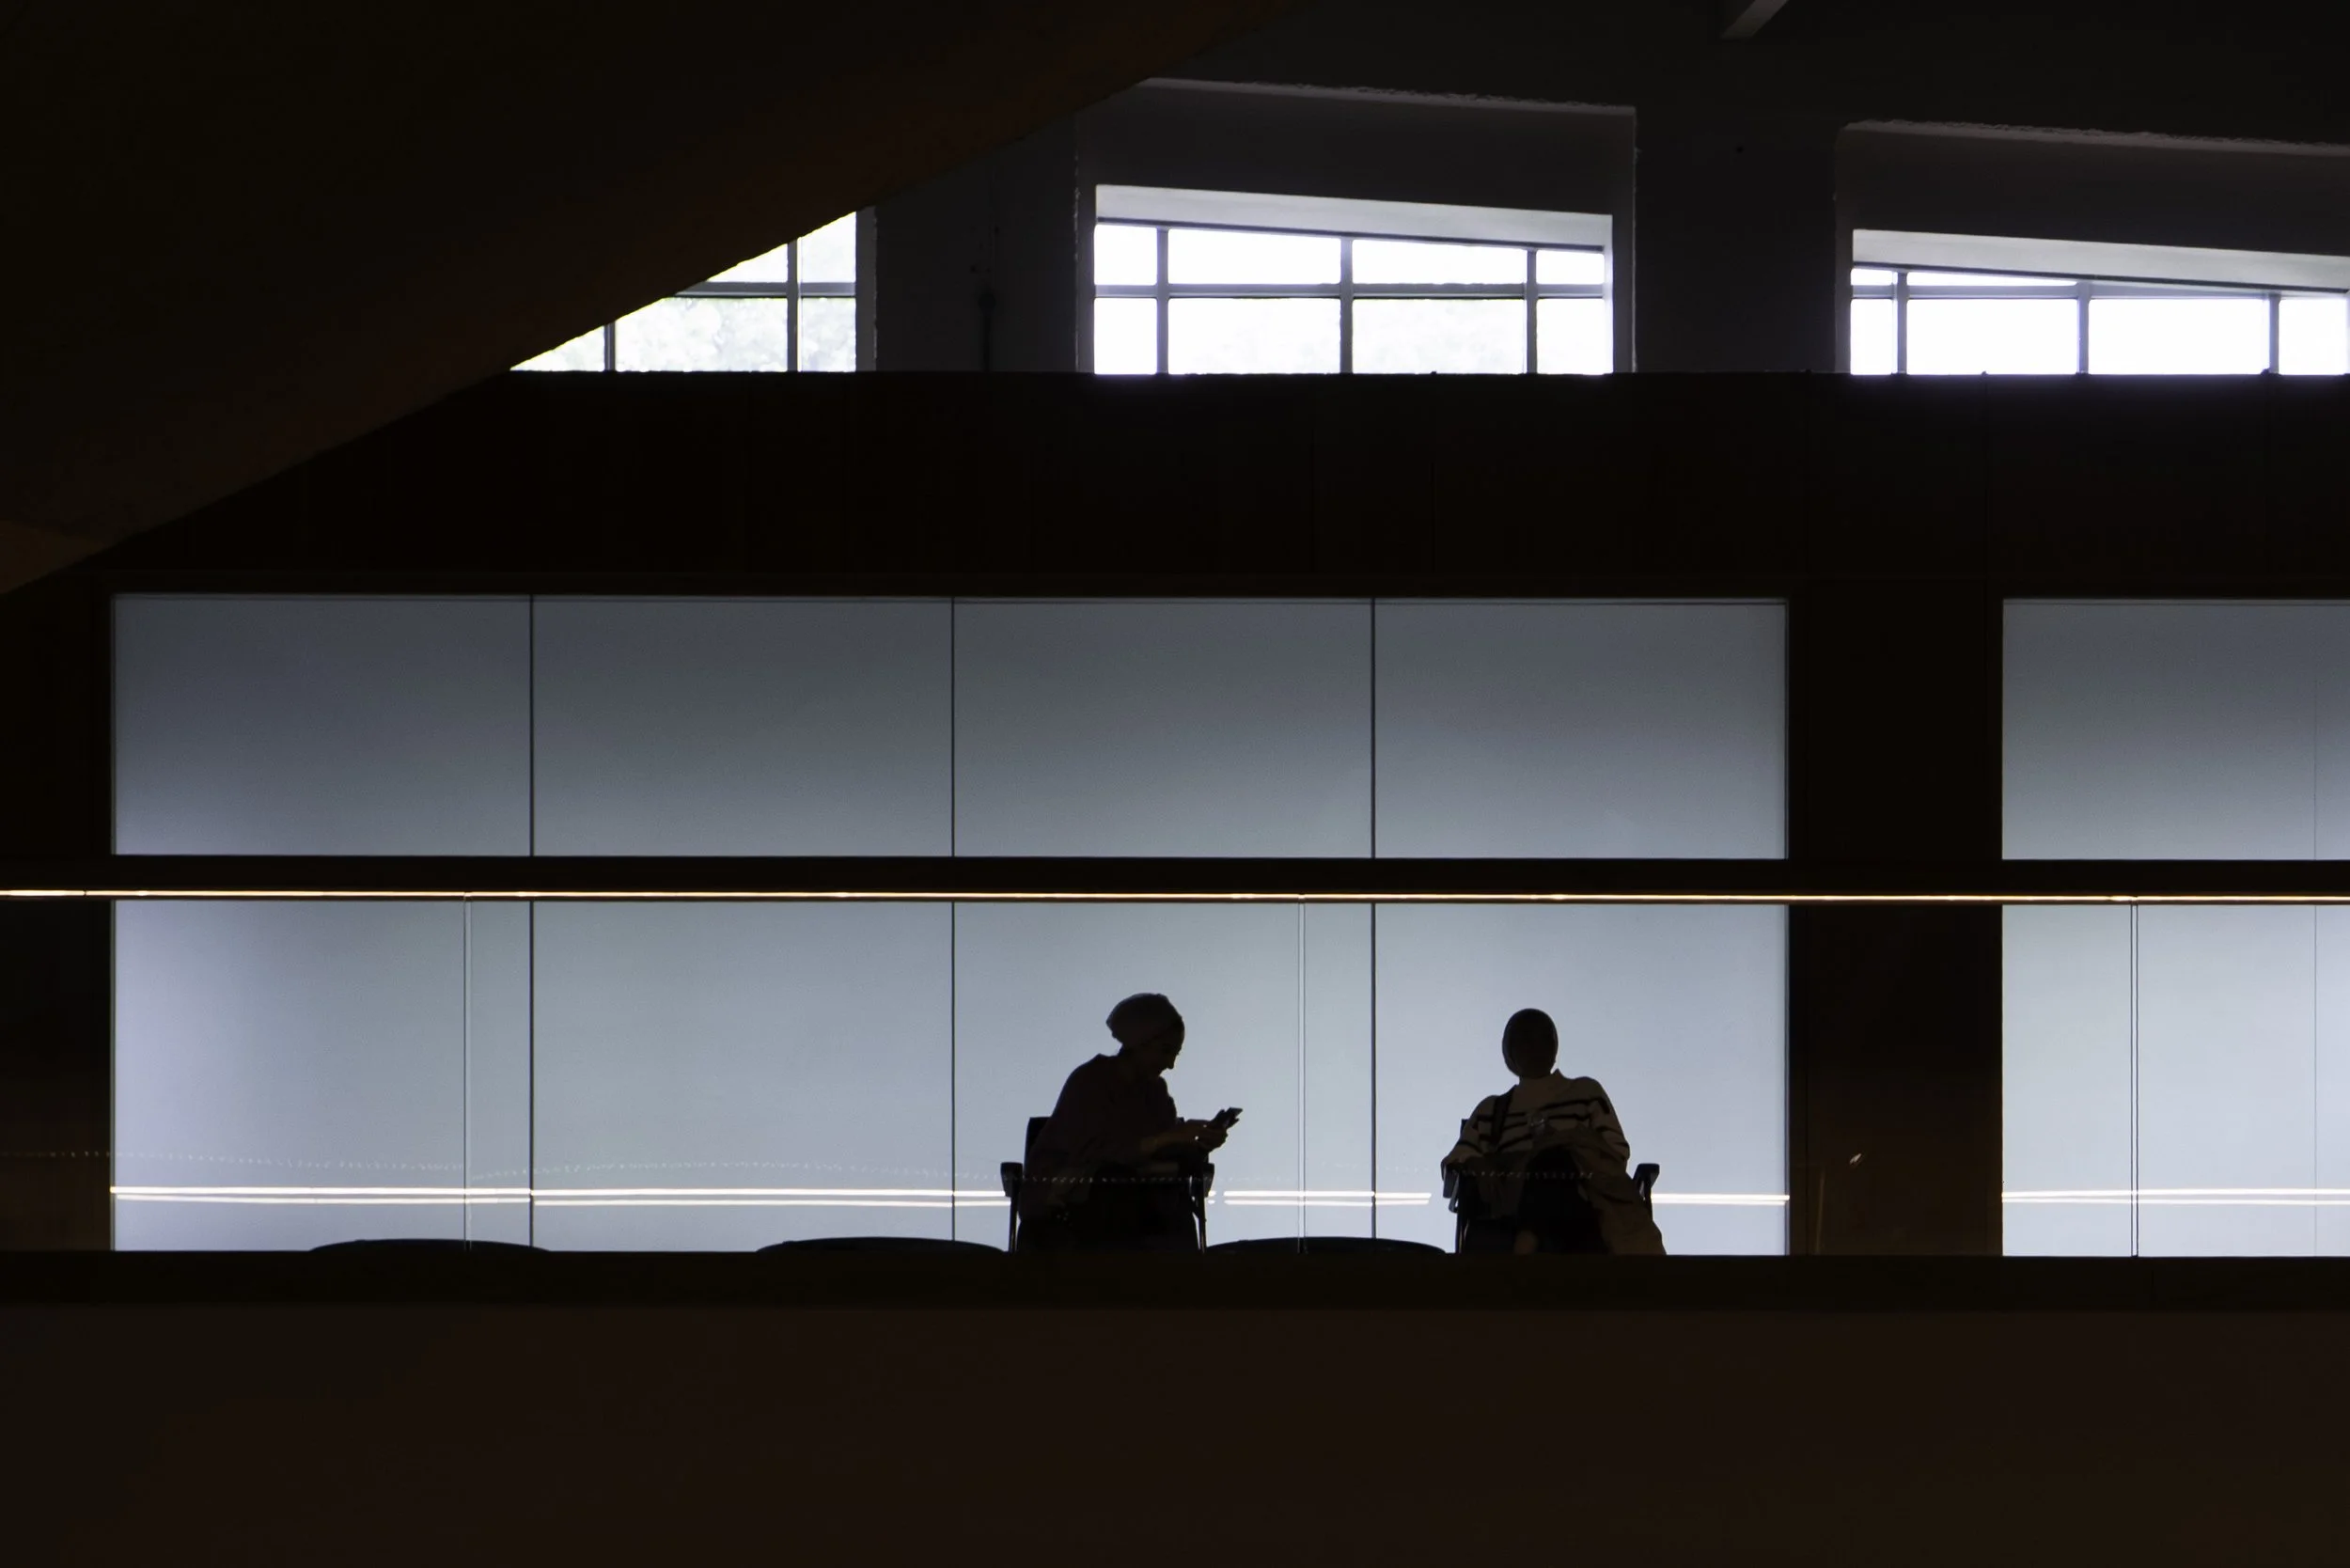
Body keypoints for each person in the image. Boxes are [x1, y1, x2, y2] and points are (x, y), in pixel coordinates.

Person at [1019, 993, 1240, 1251]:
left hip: (1133, 1197)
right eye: (1165, 1051)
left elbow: (1161, 1156)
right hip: (1081, 1200)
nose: (1170, 1064)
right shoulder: (1091, 1082)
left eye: (1175, 1053)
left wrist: (1199, 1144)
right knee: (1118, 1187)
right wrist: (1169, 1138)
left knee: (1167, 1200)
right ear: (1139, 1043)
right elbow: (1095, 1155)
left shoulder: (1156, 1093)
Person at [1442, 1008, 1637, 1255]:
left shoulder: (1586, 1092)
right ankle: (1530, 1237)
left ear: (1554, 1045)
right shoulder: (1492, 1110)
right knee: (1548, 1159)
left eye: (1540, 1037)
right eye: (1523, 1039)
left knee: (1554, 1158)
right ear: (1508, 1054)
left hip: (1579, 1210)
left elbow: (1615, 1155)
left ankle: (1527, 1241)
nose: (1533, 1046)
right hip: (1513, 1208)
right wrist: (1476, 1163)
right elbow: (1453, 1165)